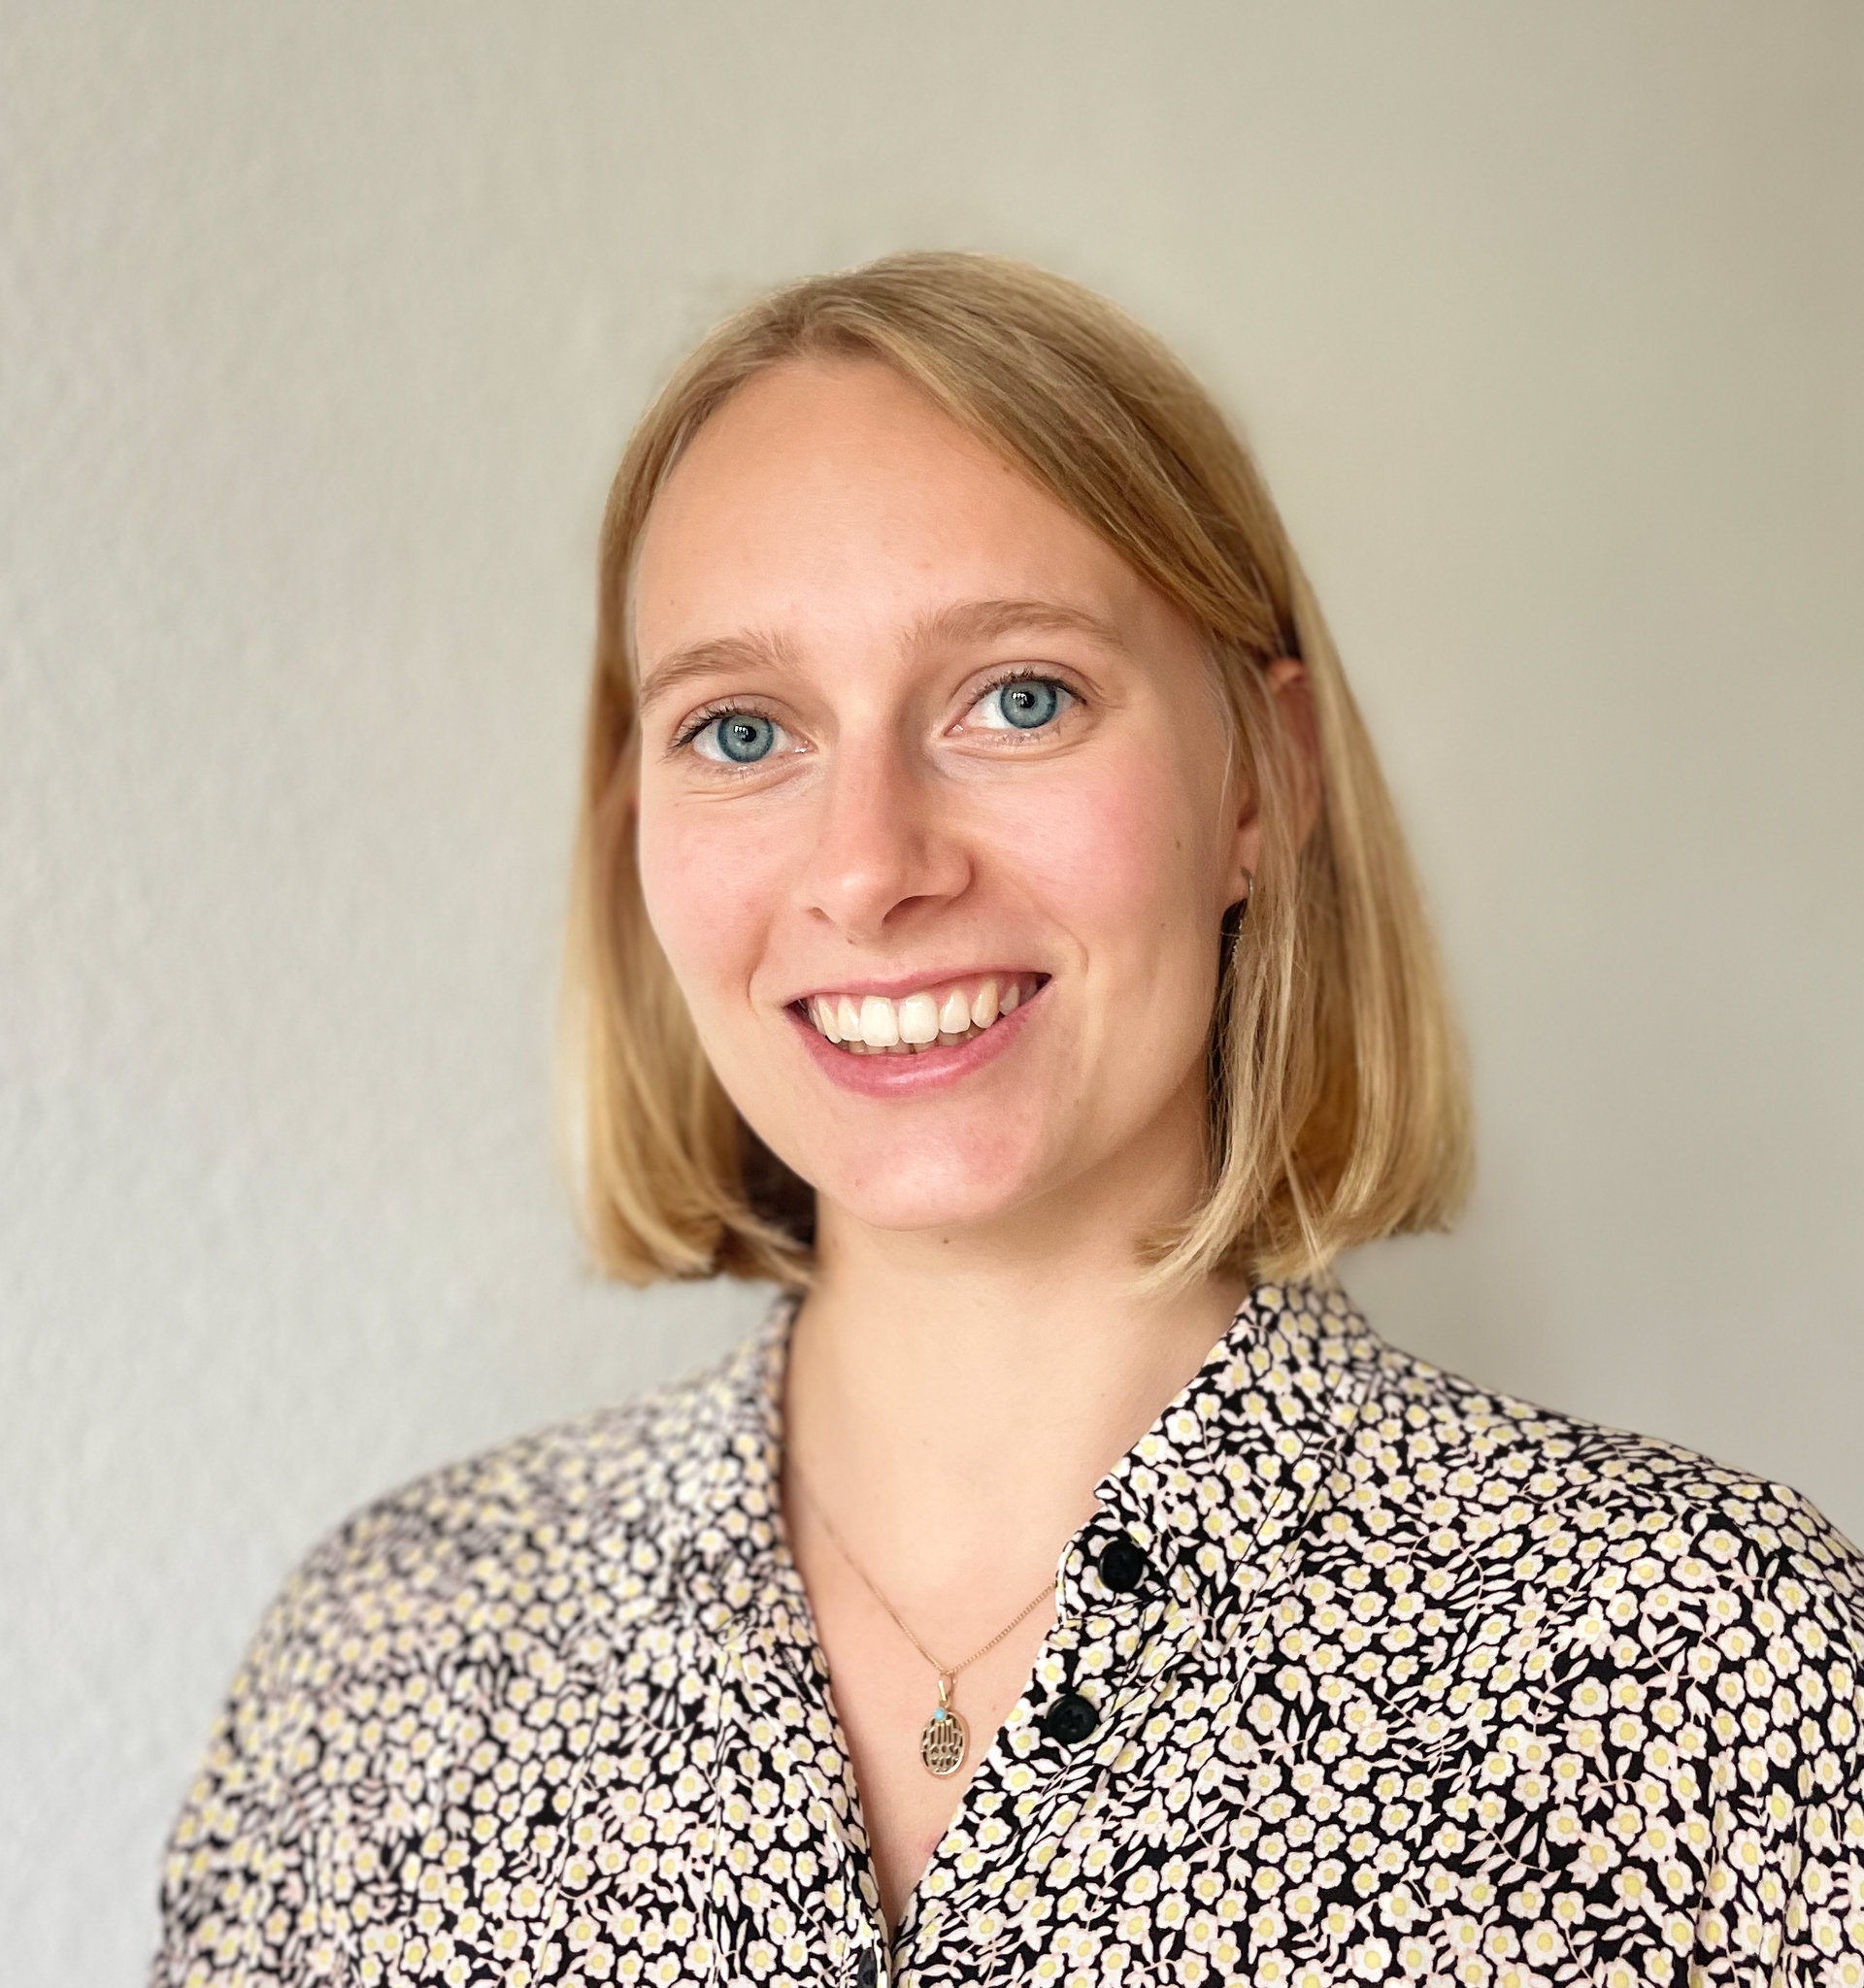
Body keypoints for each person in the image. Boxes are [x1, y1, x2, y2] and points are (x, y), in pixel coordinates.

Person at [154, 254, 1864, 1988]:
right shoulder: (370, 1670)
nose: (870, 869)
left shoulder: (1705, 1670)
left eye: (1020, 697)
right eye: (741, 731)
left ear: (1264, 779)